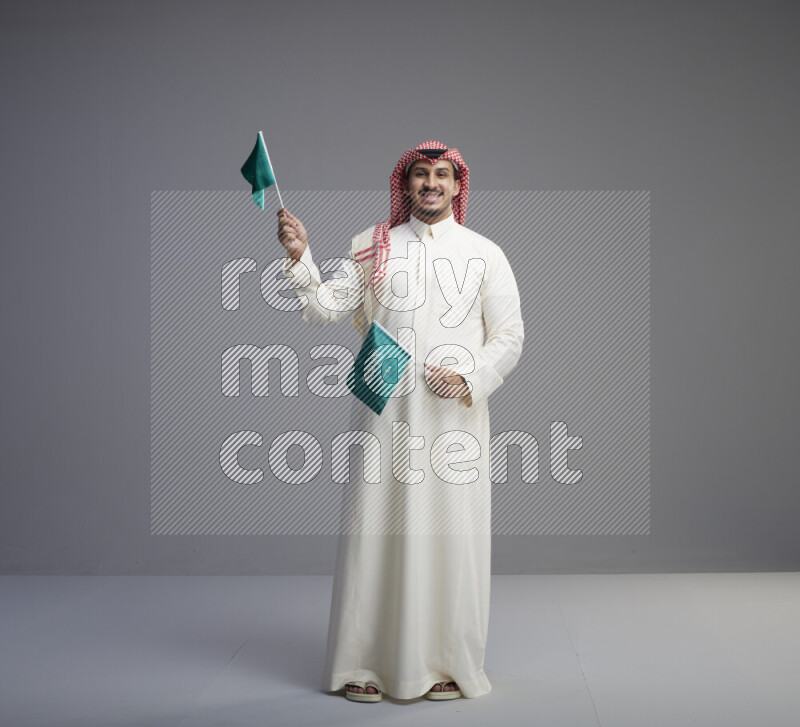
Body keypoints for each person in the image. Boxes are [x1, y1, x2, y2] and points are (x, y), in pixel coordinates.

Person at [276, 140, 524, 703]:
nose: (430, 184)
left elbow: (510, 336)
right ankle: (362, 665)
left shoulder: (485, 253)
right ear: (405, 184)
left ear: (458, 186)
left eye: (441, 175)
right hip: (384, 412)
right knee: (375, 533)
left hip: (451, 419)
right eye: (420, 175)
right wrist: (300, 257)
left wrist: (470, 379)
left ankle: (442, 664)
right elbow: (323, 309)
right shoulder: (372, 245)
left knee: (449, 537)